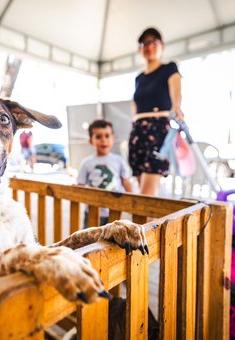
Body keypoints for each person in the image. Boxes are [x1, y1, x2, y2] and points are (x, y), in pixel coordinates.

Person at [128, 27, 184, 196]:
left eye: (153, 42)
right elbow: (135, 103)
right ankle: (148, 223)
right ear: (140, 49)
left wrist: (177, 107)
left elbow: (176, 90)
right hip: (138, 132)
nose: (149, 46)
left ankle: (145, 222)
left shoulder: (169, 68)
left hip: (158, 130)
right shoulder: (139, 78)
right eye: (144, 43)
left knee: (146, 196)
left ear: (162, 45)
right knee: (142, 194)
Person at [77, 119, 133, 227]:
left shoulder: (119, 160)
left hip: (114, 210)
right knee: (89, 240)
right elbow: (80, 186)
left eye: (107, 136)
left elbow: (126, 183)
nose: (104, 140)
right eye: (98, 137)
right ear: (90, 141)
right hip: (92, 211)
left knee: (113, 241)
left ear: (113, 138)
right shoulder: (86, 163)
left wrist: (133, 204)